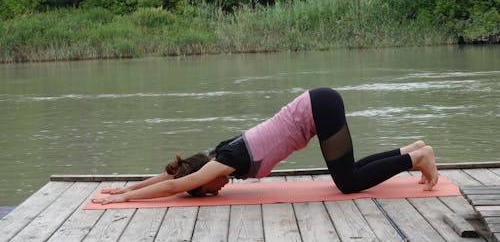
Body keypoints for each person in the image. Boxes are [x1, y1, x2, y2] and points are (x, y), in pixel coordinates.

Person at [93, 88, 438, 204]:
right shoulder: (215, 155)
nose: (218, 189)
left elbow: (175, 184)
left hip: (317, 108)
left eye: (209, 190)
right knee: (348, 172)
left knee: (347, 182)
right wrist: (128, 187)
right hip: (316, 105)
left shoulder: (224, 161)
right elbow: (171, 174)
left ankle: (415, 157)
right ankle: (412, 150)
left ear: (204, 177)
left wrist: (124, 198)